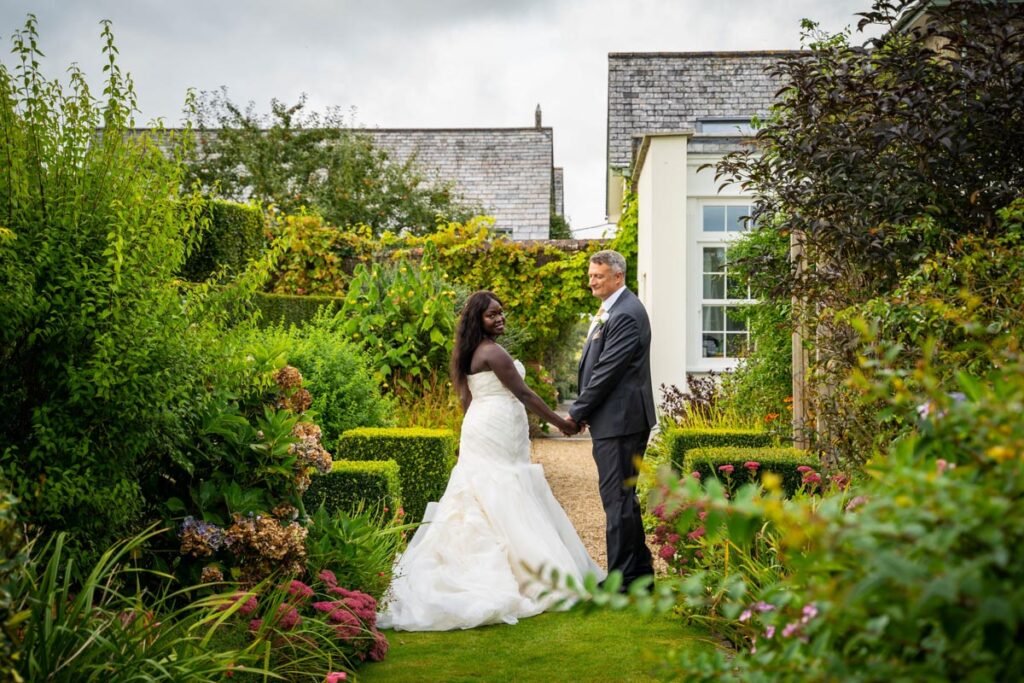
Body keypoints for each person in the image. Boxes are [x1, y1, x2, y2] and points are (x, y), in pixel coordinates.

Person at [377, 291, 604, 631]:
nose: (500, 318)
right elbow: (524, 393)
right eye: (492, 315)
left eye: (501, 312)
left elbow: (469, 400)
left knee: (486, 488)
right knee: (501, 489)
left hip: (487, 426)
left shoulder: (471, 352)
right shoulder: (492, 352)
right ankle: (525, 573)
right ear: (477, 320)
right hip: (495, 428)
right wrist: (564, 425)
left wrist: (468, 438)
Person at [567, 250, 655, 591]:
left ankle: (620, 579)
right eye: (591, 275)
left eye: (598, 276)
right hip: (616, 419)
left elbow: (607, 371)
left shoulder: (627, 314)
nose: (591, 281)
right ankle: (640, 573)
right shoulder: (614, 309)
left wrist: (577, 412)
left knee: (617, 501)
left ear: (618, 277)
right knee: (623, 500)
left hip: (621, 421)